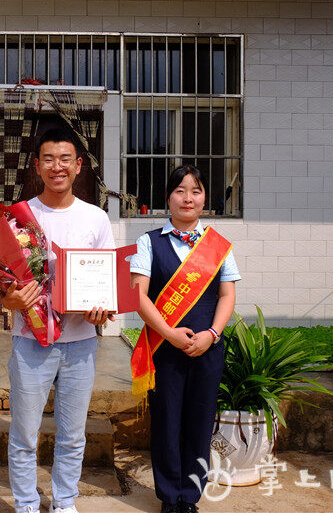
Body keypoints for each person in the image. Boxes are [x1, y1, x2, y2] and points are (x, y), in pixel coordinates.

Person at [0, 128, 115, 513]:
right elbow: (4, 284)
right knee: (24, 434)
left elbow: (105, 283)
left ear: (79, 166)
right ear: (37, 165)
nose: (57, 166)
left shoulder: (96, 218)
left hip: (81, 344)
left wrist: (102, 308)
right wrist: (9, 299)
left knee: (72, 434)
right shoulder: (19, 217)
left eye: (65, 159)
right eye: (48, 159)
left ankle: (64, 501)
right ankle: (27, 503)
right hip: (31, 341)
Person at [129, 165, 240, 513]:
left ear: (204, 197)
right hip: (164, 349)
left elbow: (226, 296)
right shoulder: (148, 242)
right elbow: (140, 296)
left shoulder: (218, 246)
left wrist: (212, 334)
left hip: (207, 350)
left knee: (199, 421)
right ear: (168, 197)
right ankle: (168, 496)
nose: (187, 197)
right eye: (180, 190)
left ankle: (190, 497)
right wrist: (168, 334)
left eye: (195, 190)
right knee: (165, 421)